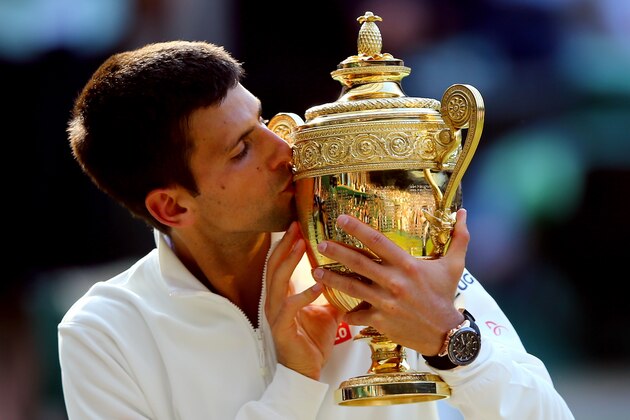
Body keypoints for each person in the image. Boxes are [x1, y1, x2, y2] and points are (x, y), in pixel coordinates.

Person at [58, 40, 574, 419]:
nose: (283, 150)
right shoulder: (102, 332)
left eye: (260, 122)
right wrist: (294, 386)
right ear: (170, 207)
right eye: (242, 150)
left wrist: (450, 339)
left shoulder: (383, 244)